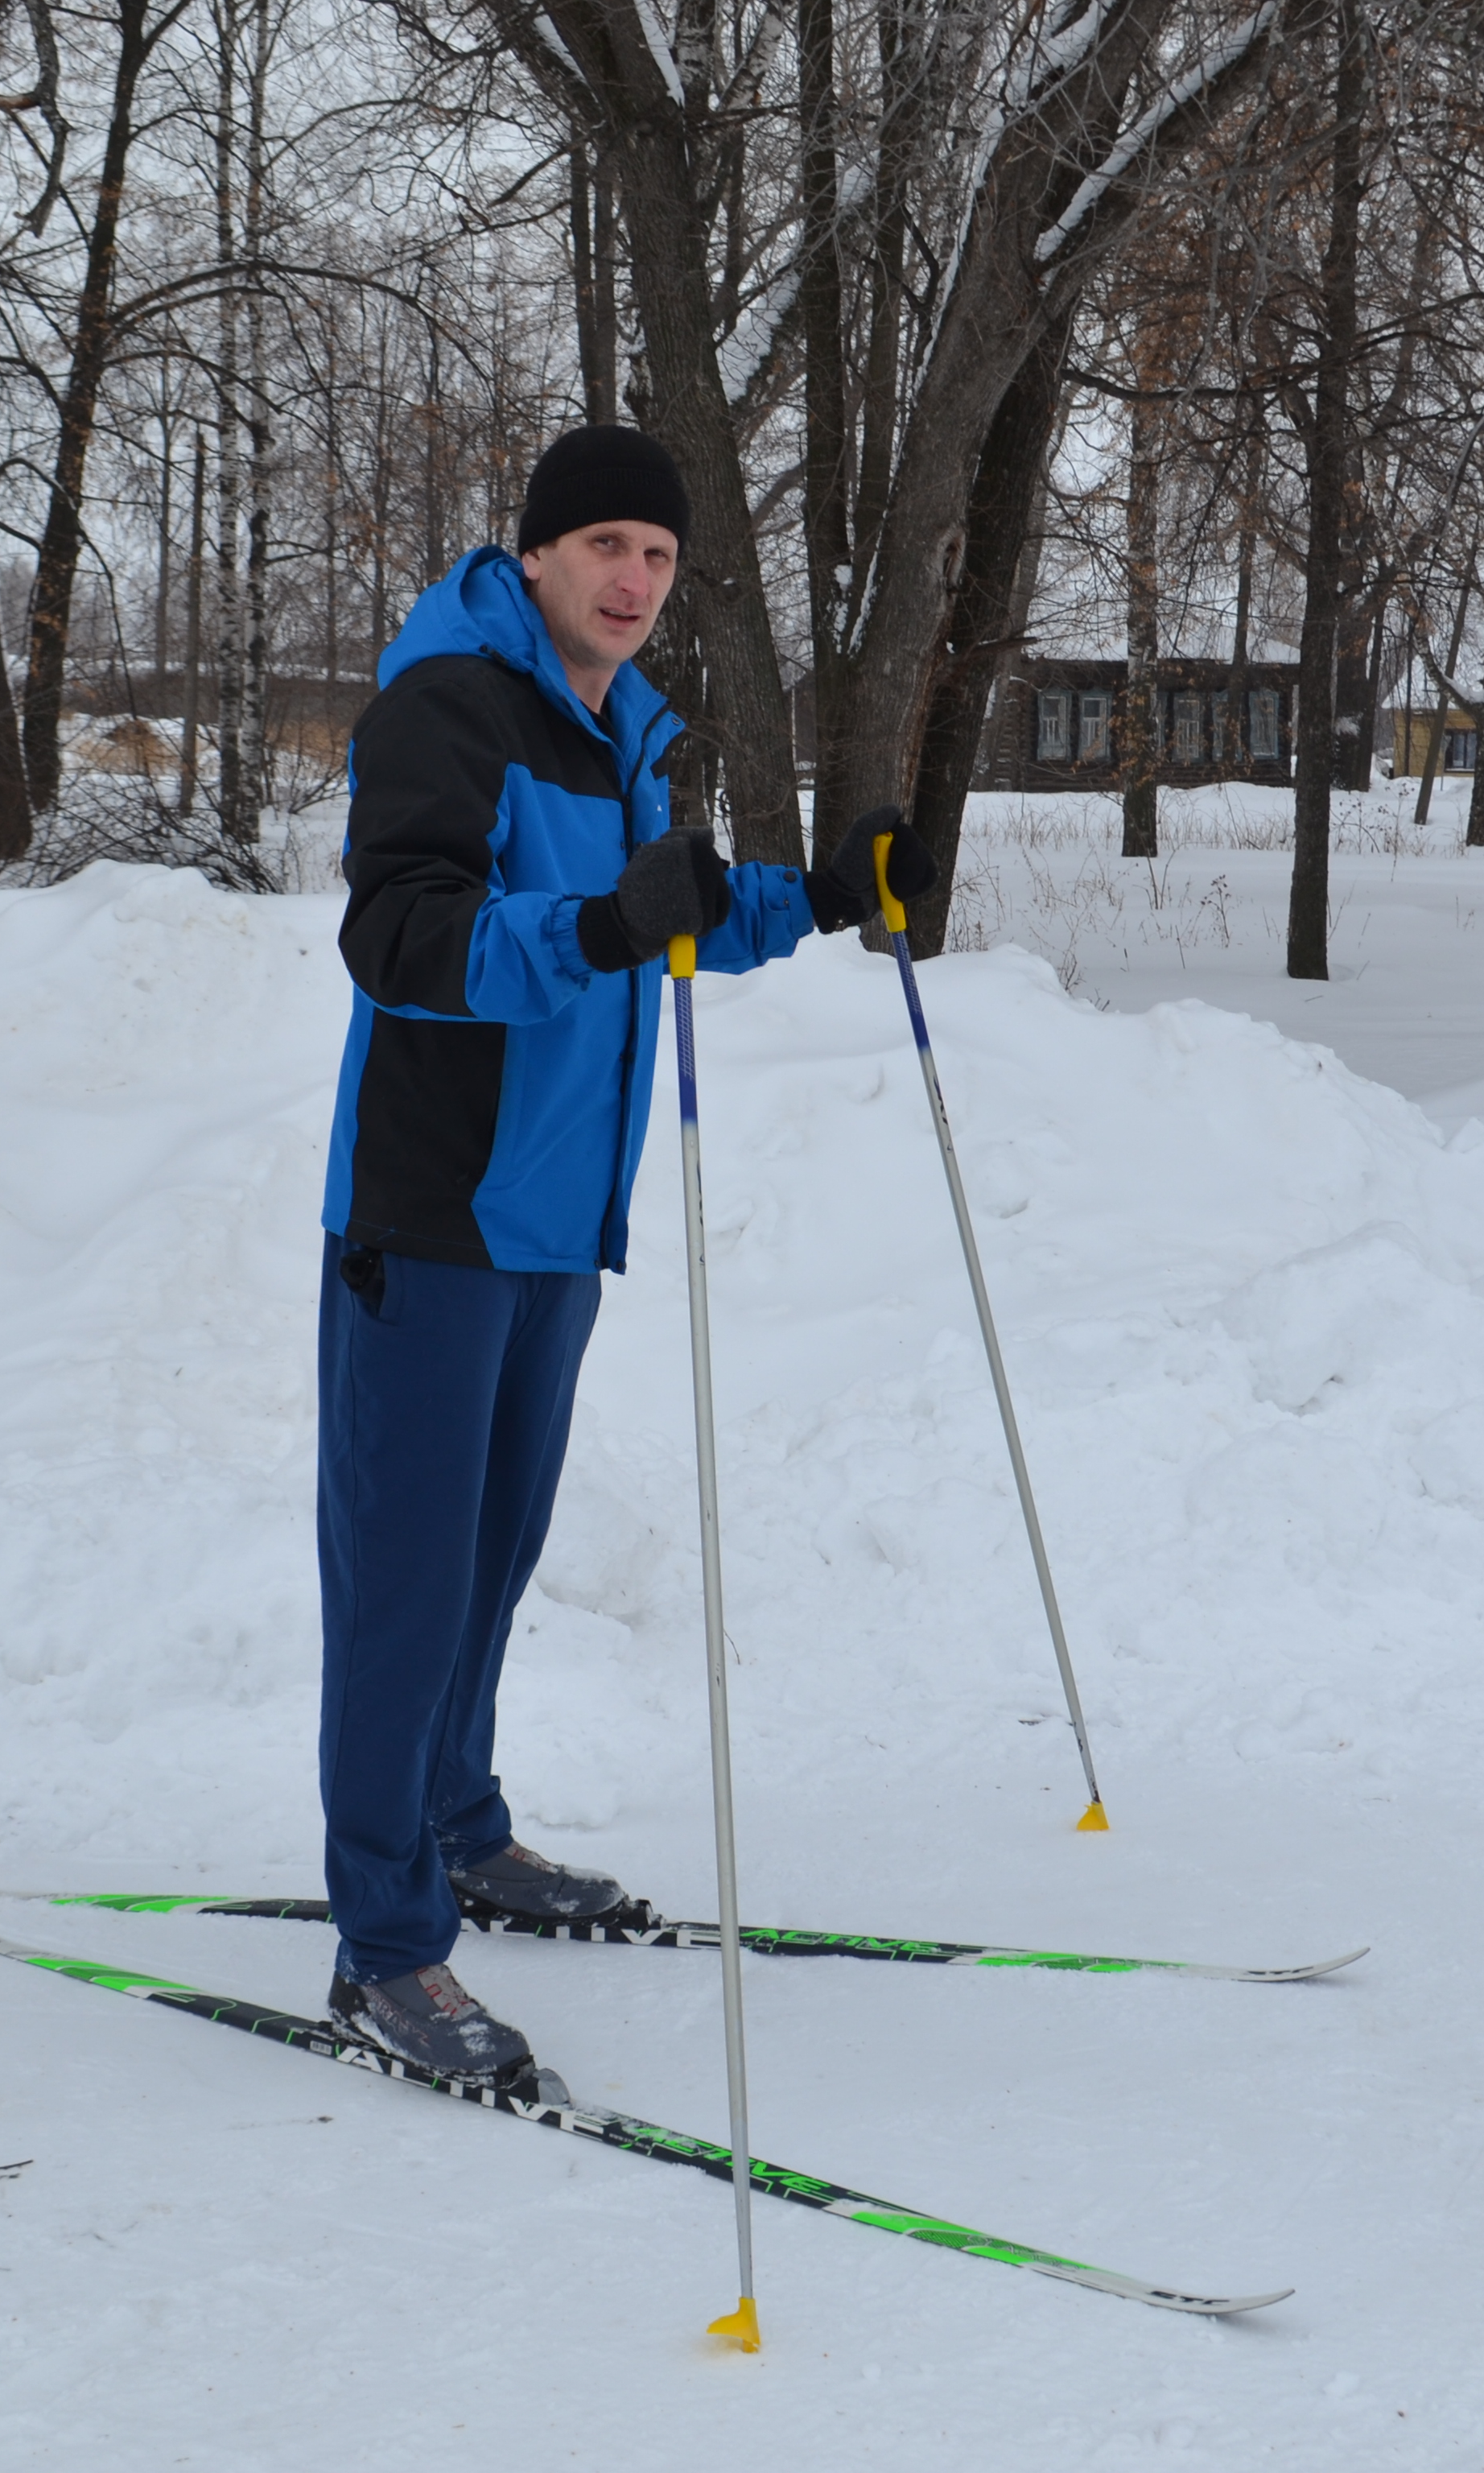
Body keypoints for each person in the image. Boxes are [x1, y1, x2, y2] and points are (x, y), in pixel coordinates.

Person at [317, 424, 927, 2088]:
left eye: (656, 557)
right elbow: (400, 932)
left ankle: (458, 1829)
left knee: (492, 1559)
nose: (634, 581)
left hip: (555, 1228)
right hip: (432, 1215)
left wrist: (818, 892)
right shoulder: (451, 703)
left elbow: (674, 911)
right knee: (404, 1590)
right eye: (603, 547)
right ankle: (385, 1951)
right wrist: (594, 924)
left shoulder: (617, 733)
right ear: (536, 559)